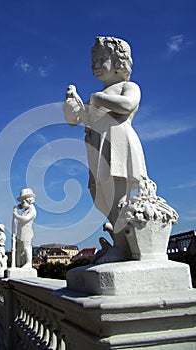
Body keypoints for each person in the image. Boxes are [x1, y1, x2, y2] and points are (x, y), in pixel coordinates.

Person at [63, 36, 147, 262]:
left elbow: (128, 105)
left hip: (118, 142)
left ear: (119, 62)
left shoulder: (128, 87)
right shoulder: (96, 98)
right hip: (97, 148)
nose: (96, 66)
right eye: (94, 62)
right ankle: (120, 243)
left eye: (102, 60)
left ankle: (123, 247)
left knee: (118, 197)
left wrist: (97, 99)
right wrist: (72, 104)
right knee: (98, 195)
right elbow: (76, 120)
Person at [12, 188, 36, 269]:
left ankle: (28, 263)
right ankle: (19, 263)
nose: (21, 204)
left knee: (27, 247)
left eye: (23, 202)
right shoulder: (26, 210)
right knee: (19, 248)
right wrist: (18, 208)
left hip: (26, 232)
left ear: (29, 200)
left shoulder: (32, 210)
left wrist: (16, 215)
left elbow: (25, 219)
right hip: (21, 232)